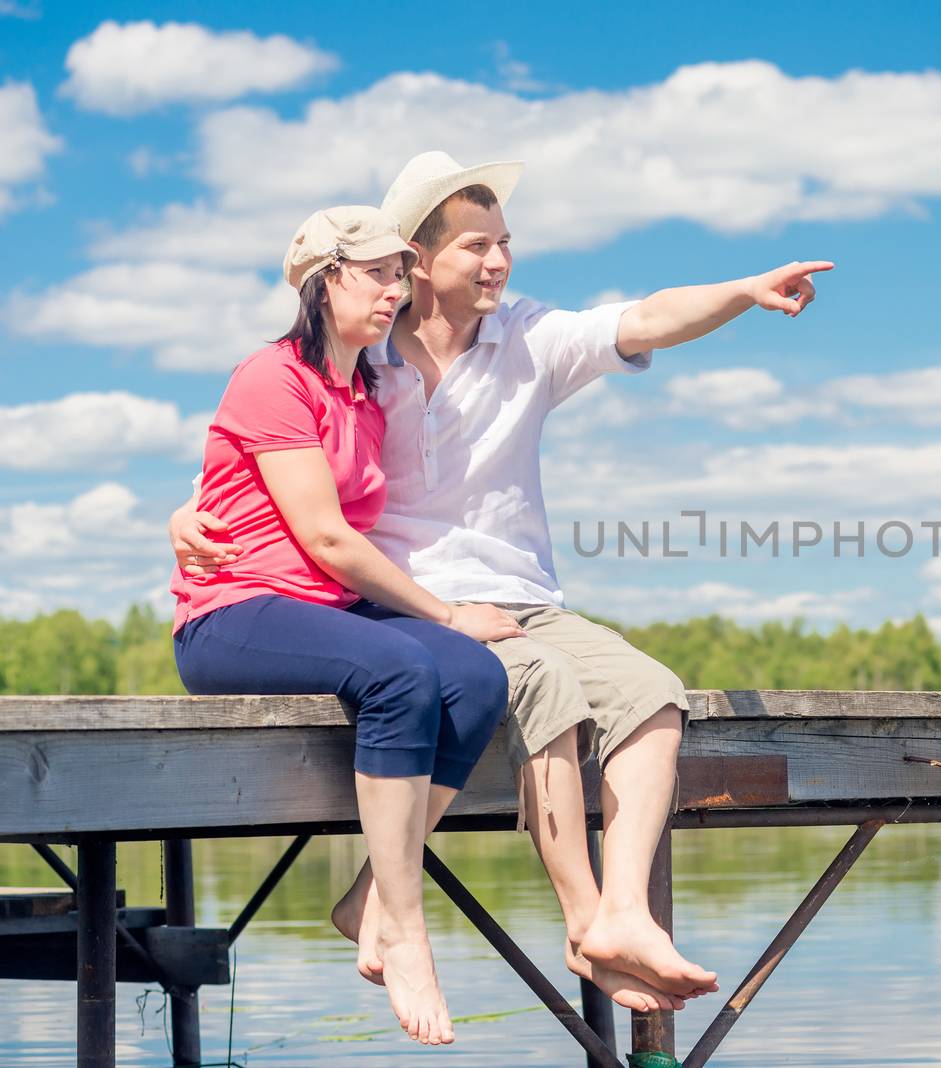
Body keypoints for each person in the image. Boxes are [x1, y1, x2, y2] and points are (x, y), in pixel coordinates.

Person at [171, 151, 832, 1014]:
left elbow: (648, 317)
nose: (498, 262)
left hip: (521, 597)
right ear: (416, 258)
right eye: (476, 245)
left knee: (649, 691)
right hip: (398, 604)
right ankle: (585, 919)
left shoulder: (527, 338)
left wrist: (742, 290)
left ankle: (624, 911)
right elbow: (262, 453)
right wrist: (184, 514)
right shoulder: (365, 353)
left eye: (505, 243)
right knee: (537, 682)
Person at [170, 205, 522, 1046]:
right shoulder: (273, 375)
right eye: (379, 274)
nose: (396, 289)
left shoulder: (363, 385)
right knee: (405, 669)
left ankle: (368, 895)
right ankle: (407, 927)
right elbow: (326, 537)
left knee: (475, 679)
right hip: (235, 615)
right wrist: (444, 612)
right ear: (327, 282)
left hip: (321, 611)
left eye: (402, 273)